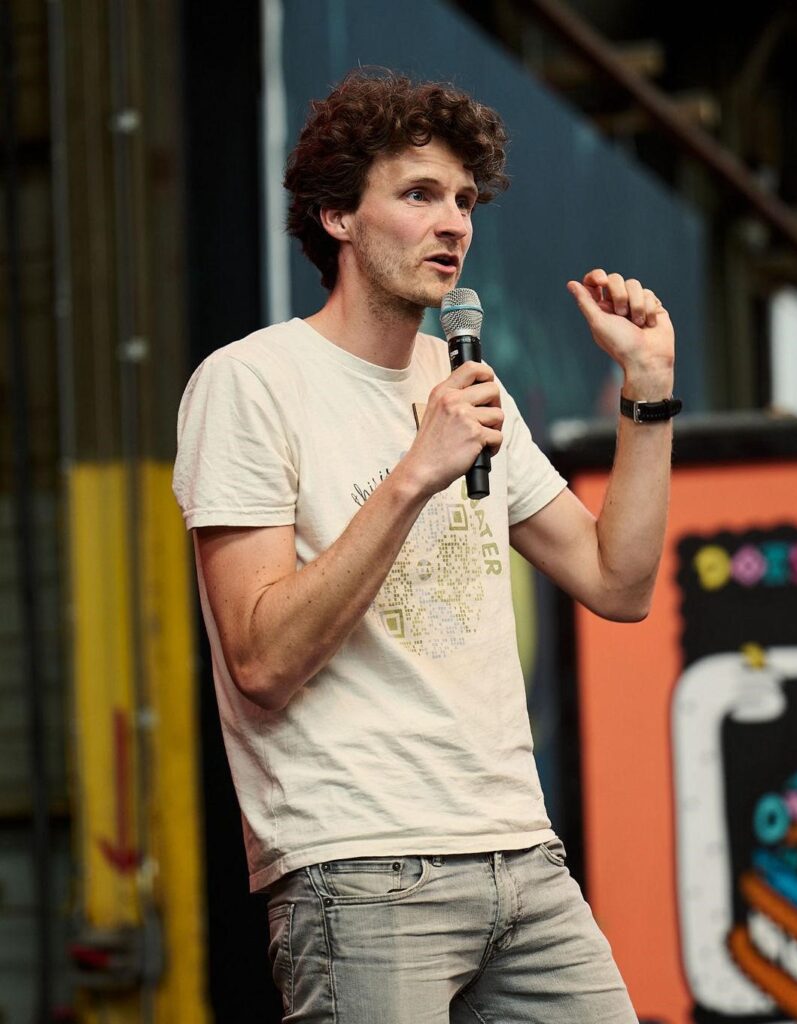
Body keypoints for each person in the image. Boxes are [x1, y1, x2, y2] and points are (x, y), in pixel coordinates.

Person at [173, 69, 677, 1024]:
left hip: (522, 856)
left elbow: (619, 583)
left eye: (464, 200)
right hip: (362, 869)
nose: (453, 224)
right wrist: (414, 474)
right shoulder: (251, 383)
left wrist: (647, 391)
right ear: (337, 217)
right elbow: (260, 661)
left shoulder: (469, 387)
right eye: (418, 195)